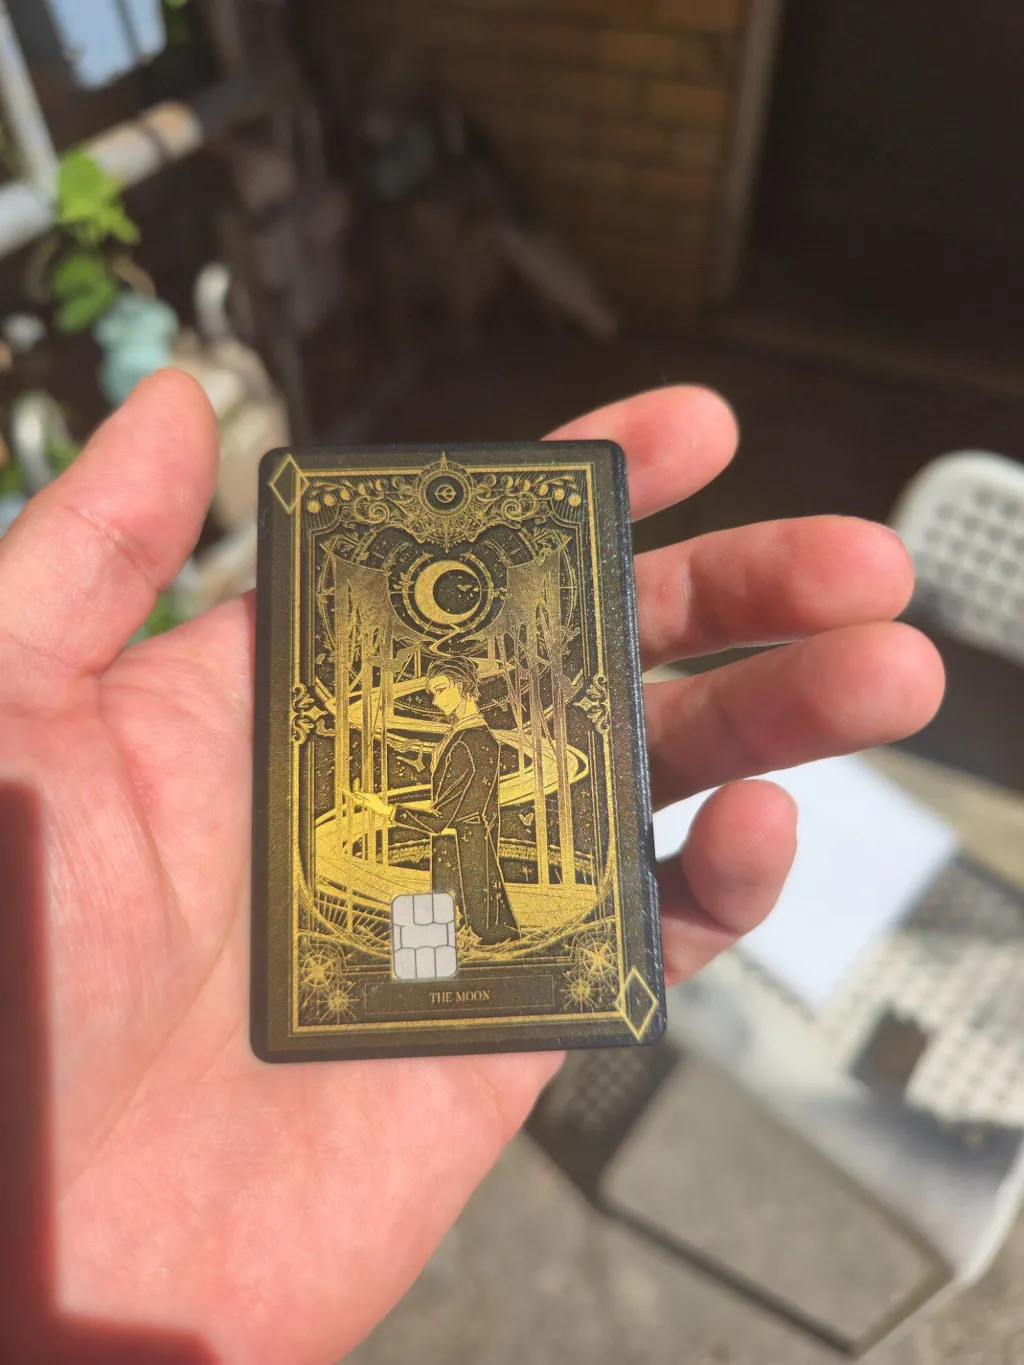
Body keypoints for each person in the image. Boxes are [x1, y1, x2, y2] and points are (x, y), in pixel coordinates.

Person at [0, 371, 944, 1363]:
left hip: (463, 836)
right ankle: (461, 948)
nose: (443, 692)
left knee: (451, 913)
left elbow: (482, 782)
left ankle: (463, 947)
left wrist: (430, 796)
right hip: (449, 845)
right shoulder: (452, 728)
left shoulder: (475, 734)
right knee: (445, 917)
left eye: (449, 690)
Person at [352, 655, 521, 943]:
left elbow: (439, 819)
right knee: (469, 937)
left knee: (478, 936)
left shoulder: (468, 743)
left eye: (441, 689)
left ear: (463, 687)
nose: (434, 700)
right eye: (432, 692)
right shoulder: (471, 737)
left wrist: (386, 809)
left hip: (464, 853)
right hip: (467, 845)